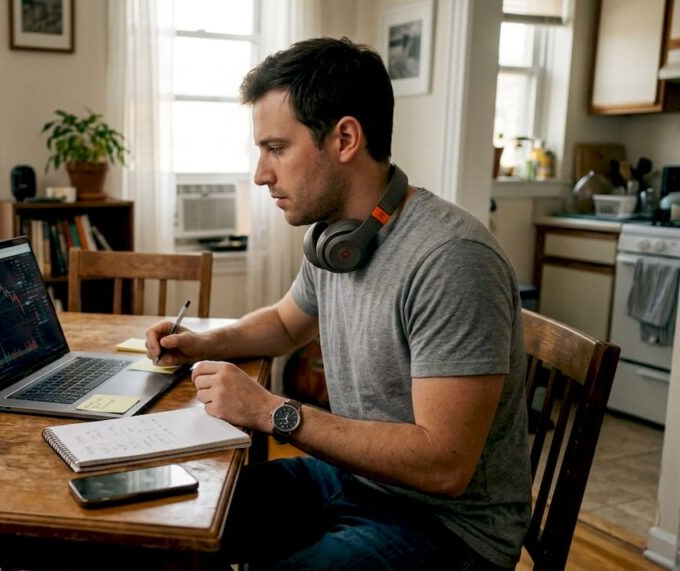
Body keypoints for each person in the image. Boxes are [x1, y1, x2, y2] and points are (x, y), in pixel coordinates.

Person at [145, 37, 530, 570]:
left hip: (448, 525)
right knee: (165, 520)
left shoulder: (451, 258)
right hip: (359, 480)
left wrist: (267, 410)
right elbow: (284, 324)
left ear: (345, 138)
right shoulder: (341, 240)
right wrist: (201, 343)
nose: (260, 174)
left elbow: (445, 465)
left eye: (276, 148)